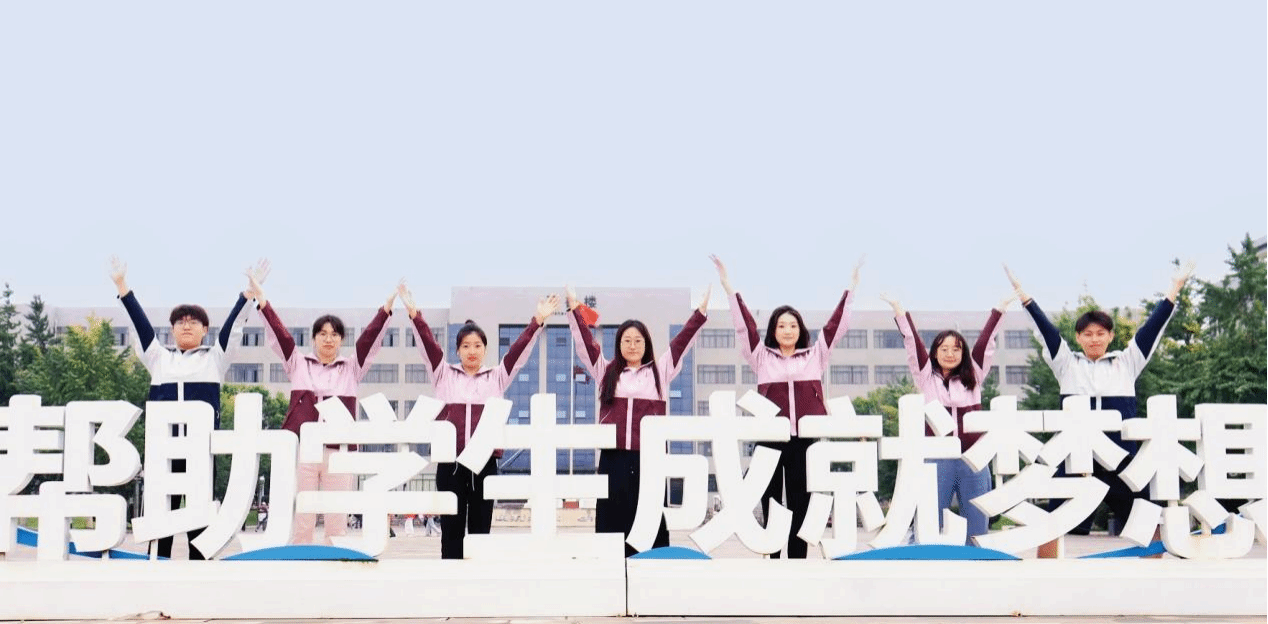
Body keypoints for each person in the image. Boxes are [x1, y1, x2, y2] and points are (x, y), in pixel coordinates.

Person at [1005, 261, 1193, 557]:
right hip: (1076, 455)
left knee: (1145, 512)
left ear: (1110, 336)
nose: (1094, 339)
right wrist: (1025, 298)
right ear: (1079, 338)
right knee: (1054, 519)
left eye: (1100, 333)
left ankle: (1156, 569)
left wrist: (1174, 289)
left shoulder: (1127, 363)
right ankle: (1045, 573)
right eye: (1088, 334)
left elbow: (1151, 330)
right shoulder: (1066, 364)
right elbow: (1046, 332)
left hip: (1120, 455)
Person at [711, 254, 863, 559]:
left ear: (801, 329)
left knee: (800, 502)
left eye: (793, 325)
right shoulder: (761, 357)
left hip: (804, 441)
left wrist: (851, 289)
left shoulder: (815, 356)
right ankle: (772, 558)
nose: (788, 330)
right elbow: (744, 328)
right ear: (774, 330)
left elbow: (836, 327)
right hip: (770, 439)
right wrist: (729, 288)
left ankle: (796, 563)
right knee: (771, 502)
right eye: (781, 325)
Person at [398, 282, 559, 559]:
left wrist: (537, 321)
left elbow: (518, 353)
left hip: (485, 464)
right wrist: (415, 315)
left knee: (480, 529)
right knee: (451, 530)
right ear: (457, 350)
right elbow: (428, 346)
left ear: (485, 349)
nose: (471, 351)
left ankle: (478, 579)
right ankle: (451, 577)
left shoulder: (497, 377)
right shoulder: (443, 374)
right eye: (465, 346)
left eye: (477, 345)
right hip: (450, 464)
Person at [110, 256, 256, 559]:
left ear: (205, 330)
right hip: (164, 451)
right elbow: (140, 327)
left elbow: (233, 328)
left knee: (199, 518)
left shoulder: (214, 359)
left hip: (200, 451)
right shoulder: (159, 359)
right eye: (180, 322)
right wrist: (123, 287)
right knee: (161, 515)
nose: (186, 326)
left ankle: (198, 571)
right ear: (172, 330)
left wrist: (247, 296)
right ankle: (158, 565)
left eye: (194, 322)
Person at [247, 267, 397, 545]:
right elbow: (280, 336)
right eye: (323, 334)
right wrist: (262, 300)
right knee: (303, 512)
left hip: (339, 451)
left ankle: (334, 558)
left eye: (335, 334)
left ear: (341, 340)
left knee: (336, 514)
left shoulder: (351, 368)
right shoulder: (297, 363)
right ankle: (300, 558)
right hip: (304, 449)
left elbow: (369, 342)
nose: (328, 339)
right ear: (314, 338)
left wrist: (386, 310)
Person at [565, 283, 710, 556]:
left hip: (650, 459)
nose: (632, 346)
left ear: (646, 344)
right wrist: (574, 309)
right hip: (614, 458)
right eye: (627, 341)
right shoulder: (606, 371)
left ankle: (654, 570)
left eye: (638, 340)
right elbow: (585, 345)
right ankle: (612, 570)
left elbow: (682, 343)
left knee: (650, 518)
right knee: (612, 517)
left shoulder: (660, 371)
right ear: (619, 344)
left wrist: (700, 312)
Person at [880, 291, 1013, 544]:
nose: (950, 353)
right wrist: (899, 312)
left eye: (956, 349)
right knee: (929, 519)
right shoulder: (926, 377)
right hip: (937, 458)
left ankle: (976, 559)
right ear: (935, 352)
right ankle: (919, 556)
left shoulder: (974, 375)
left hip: (973, 458)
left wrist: (1000, 310)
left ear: (963, 353)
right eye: (944, 349)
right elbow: (913, 343)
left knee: (977, 523)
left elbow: (986, 342)